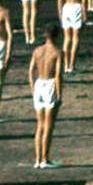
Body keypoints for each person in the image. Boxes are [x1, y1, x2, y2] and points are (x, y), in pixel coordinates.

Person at [28, 25, 63, 169]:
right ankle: (45, 159)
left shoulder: (37, 51)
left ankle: (38, 159)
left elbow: (31, 71)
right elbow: (58, 75)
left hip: (39, 84)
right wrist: (59, 94)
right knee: (48, 126)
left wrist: (33, 87)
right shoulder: (57, 52)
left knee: (40, 125)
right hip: (49, 85)